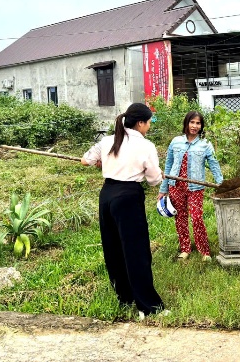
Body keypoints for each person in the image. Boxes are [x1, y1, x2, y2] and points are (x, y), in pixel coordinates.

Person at [81, 103, 167, 318]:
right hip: (128, 196)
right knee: (136, 252)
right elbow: (154, 180)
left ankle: (125, 297)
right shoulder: (146, 145)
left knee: (114, 248)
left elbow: (85, 161)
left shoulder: (107, 140)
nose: (149, 126)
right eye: (149, 122)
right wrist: (159, 175)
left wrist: (102, 162)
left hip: (107, 195)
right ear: (140, 123)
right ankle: (148, 307)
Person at [158, 111, 223, 261]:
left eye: (198, 123)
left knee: (196, 218)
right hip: (176, 186)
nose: (194, 126)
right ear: (186, 123)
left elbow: (214, 164)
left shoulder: (205, 144)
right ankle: (185, 248)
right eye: (192, 122)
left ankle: (204, 251)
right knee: (180, 218)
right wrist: (164, 188)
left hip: (195, 188)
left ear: (201, 126)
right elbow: (168, 166)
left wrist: (221, 183)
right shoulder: (176, 142)